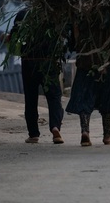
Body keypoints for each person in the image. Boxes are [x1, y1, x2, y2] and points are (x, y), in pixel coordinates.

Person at [66, 19, 110, 146]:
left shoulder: (80, 21)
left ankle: (85, 131)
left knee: (84, 100)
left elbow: (72, 45)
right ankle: (107, 136)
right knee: (107, 100)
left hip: (85, 67)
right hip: (107, 68)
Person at [7, 8, 66, 145]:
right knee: (54, 97)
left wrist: (7, 38)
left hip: (29, 62)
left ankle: (33, 134)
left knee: (31, 98)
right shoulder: (53, 13)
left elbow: (14, 37)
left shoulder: (23, 14)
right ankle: (55, 127)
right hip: (48, 62)